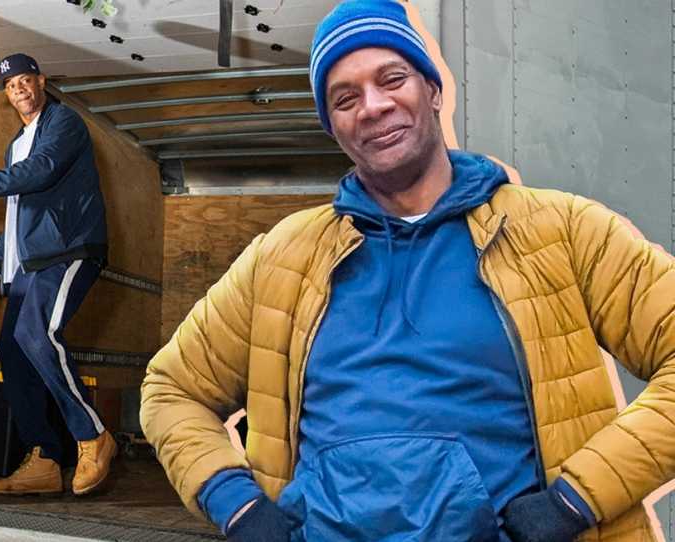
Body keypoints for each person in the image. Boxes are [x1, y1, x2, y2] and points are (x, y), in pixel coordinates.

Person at [140, 1, 675, 541]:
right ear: (335, 128)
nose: (372, 106)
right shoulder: (283, 257)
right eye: (344, 98)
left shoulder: (560, 231)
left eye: (391, 79)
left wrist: (575, 500)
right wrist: (237, 505)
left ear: (434, 90)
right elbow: (170, 389)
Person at [0, 53, 116, 497]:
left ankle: (92, 435)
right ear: (7, 96)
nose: (20, 90)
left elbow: (41, 171)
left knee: (36, 334)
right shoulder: (16, 143)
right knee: (13, 350)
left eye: (26, 81)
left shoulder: (64, 123)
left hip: (70, 249)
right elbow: (16, 216)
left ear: (41, 82)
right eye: (12, 86)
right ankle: (45, 458)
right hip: (31, 259)